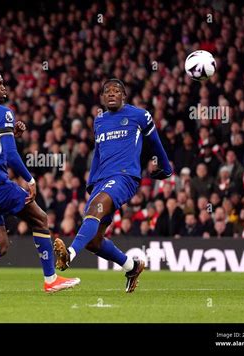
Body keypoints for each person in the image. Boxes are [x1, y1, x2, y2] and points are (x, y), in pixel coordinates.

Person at [0, 66, 80, 295]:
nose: (3, 87)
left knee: (0, 244)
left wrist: (11, 133)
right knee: (40, 219)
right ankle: (51, 280)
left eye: (3, 82)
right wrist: (30, 179)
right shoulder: (4, 112)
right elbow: (10, 155)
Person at [53, 78, 173, 293]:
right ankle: (132, 266)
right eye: (107, 91)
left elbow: (155, 142)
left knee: (95, 208)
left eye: (116, 91)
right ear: (101, 97)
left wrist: (165, 168)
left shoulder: (139, 115)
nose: (111, 93)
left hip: (125, 177)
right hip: (102, 180)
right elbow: (98, 154)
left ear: (123, 96)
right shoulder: (99, 121)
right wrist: (91, 183)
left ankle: (69, 254)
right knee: (94, 241)